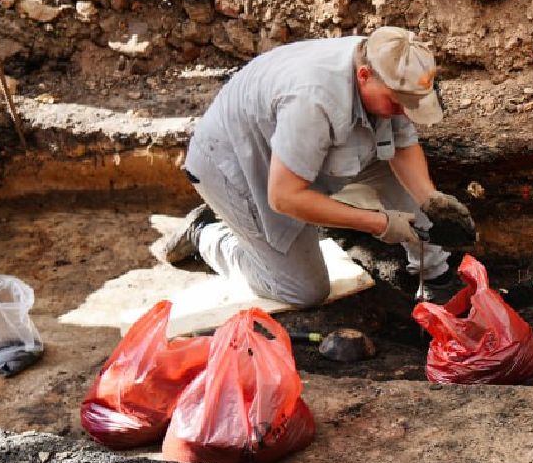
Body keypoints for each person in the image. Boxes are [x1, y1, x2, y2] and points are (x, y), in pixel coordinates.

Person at [154, 27, 476, 308]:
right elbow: (284, 197)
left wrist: (430, 199)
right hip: (239, 165)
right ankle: (207, 233)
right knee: (303, 291)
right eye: (396, 102)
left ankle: (435, 275)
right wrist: (379, 223)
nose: (403, 112)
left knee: (396, 171)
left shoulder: (390, 62)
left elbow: (402, 146)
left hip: (303, 150)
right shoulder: (313, 101)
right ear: (364, 76)